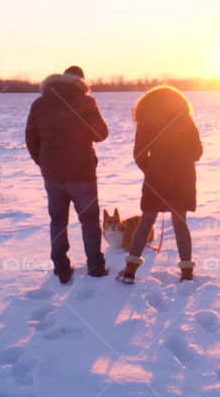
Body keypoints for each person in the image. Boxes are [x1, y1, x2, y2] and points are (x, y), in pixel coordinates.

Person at [25, 65, 109, 284]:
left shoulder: (40, 103)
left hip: (52, 174)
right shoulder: (86, 102)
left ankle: (60, 266)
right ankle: (95, 266)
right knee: (90, 221)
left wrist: (43, 162)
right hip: (82, 173)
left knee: (58, 219)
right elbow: (100, 134)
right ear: (81, 82)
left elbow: (30, 138)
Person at [117, 85, 202, 284]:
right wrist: (181, 164)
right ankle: (187, 273)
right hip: (183, 177)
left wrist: (152, 171)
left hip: (156, 177)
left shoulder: (146, 120)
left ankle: (130, 270)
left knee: (146, 220)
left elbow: (139, 153)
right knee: (180, 223)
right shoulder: (185, 118)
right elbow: (197, 152)